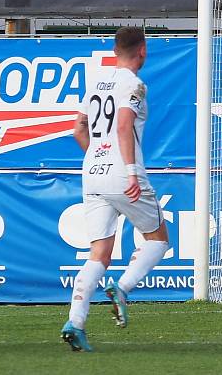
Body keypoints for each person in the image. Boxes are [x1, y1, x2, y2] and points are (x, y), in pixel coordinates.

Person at [61, 27, 170, 351]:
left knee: (99, 253)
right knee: (159, 239)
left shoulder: (96, 80)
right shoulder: (134, 84)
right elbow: (123, 125)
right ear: (143, 50)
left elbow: (78, 128)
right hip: (123, 172)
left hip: (92, 173)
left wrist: (98, 158)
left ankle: (75, 322)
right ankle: (122, 288)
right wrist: (131, 172)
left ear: (114, 49)